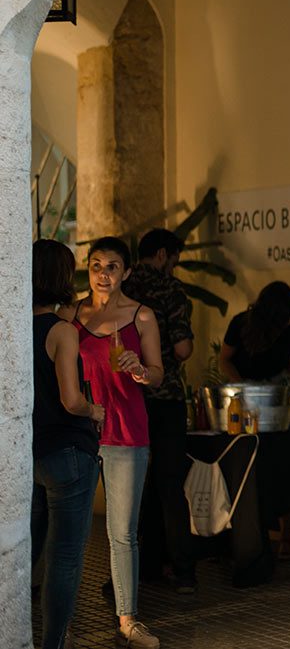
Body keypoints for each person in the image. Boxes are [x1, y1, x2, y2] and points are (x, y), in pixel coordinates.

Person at [72, 236, 164, 649]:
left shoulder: (142, 316)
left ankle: (128, 621)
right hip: (79, 433)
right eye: (96, 265)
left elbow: (158, 374)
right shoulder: (71, 315)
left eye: (112, 266)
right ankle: (62, 621)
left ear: (126, 272)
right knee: (70, 532)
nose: (103, 274)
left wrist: (141, 371)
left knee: (122, 533)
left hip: (127, 432)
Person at [31, 239, 105, 649]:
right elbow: (71, 400)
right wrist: (95, 411)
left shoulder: (14, 326)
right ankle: (54, 642)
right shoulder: (62, 332)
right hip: (69, 454)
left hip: (32, 453)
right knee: (64, 558)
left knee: (27, 553)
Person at [219, 280, 290, 559]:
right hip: (245, 396)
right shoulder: (241, 324)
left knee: (285, 460)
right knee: (250, 461)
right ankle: (247, 534)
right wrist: (241, 387)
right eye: (288, 315)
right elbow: (224, 359)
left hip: (279, 396)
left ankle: (285, 535)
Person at [122, 227, 197, 594]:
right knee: (169, 484)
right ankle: (183, 571)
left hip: (127, 399)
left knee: (133, 485)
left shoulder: (122, 287)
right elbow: (182, 349)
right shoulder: (171, 290)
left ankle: (138, 569)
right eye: (175, 259)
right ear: (164, 254)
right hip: (164, 396)